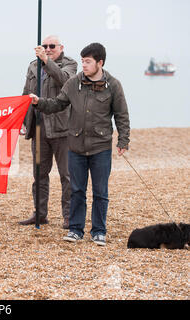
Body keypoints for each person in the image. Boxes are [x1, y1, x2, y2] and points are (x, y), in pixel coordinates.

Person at [30, 43, 130, 246]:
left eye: (88, 62)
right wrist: (38, 102)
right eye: (82, 61)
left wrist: (123, 140)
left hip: (101, 147)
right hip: (75, 145)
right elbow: (58, 104)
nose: (83, 65)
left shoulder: (113, 85)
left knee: (100, 192)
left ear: (99, 63)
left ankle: (99, 231)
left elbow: (122, 115)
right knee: (77, 190)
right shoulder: (73, 83)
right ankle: (76, 230)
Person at [19, 35, 77, 229]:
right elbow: (26, 93)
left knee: (67, 175)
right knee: (39, 174)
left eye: (52, 46)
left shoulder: (70, 64)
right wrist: (21, 119)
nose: (48, 48)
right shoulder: (32, 66)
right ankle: (39, 214)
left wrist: (46, 60)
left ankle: (69, 216)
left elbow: (66, 82)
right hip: (38, 128)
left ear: (61, 47)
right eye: (45, 46)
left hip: (63, 129)